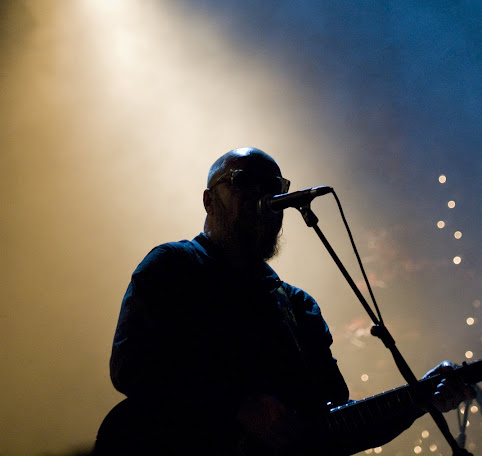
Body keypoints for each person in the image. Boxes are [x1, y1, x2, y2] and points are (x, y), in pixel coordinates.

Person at [93, 147, 475, 455]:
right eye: (244, 182)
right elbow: (131, 367)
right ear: (209, 200)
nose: (264, 196)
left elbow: (334, 428)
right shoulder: (174, 266)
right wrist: (236, 407)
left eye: (274, 186)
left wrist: (420, 400)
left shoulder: (298, 307)